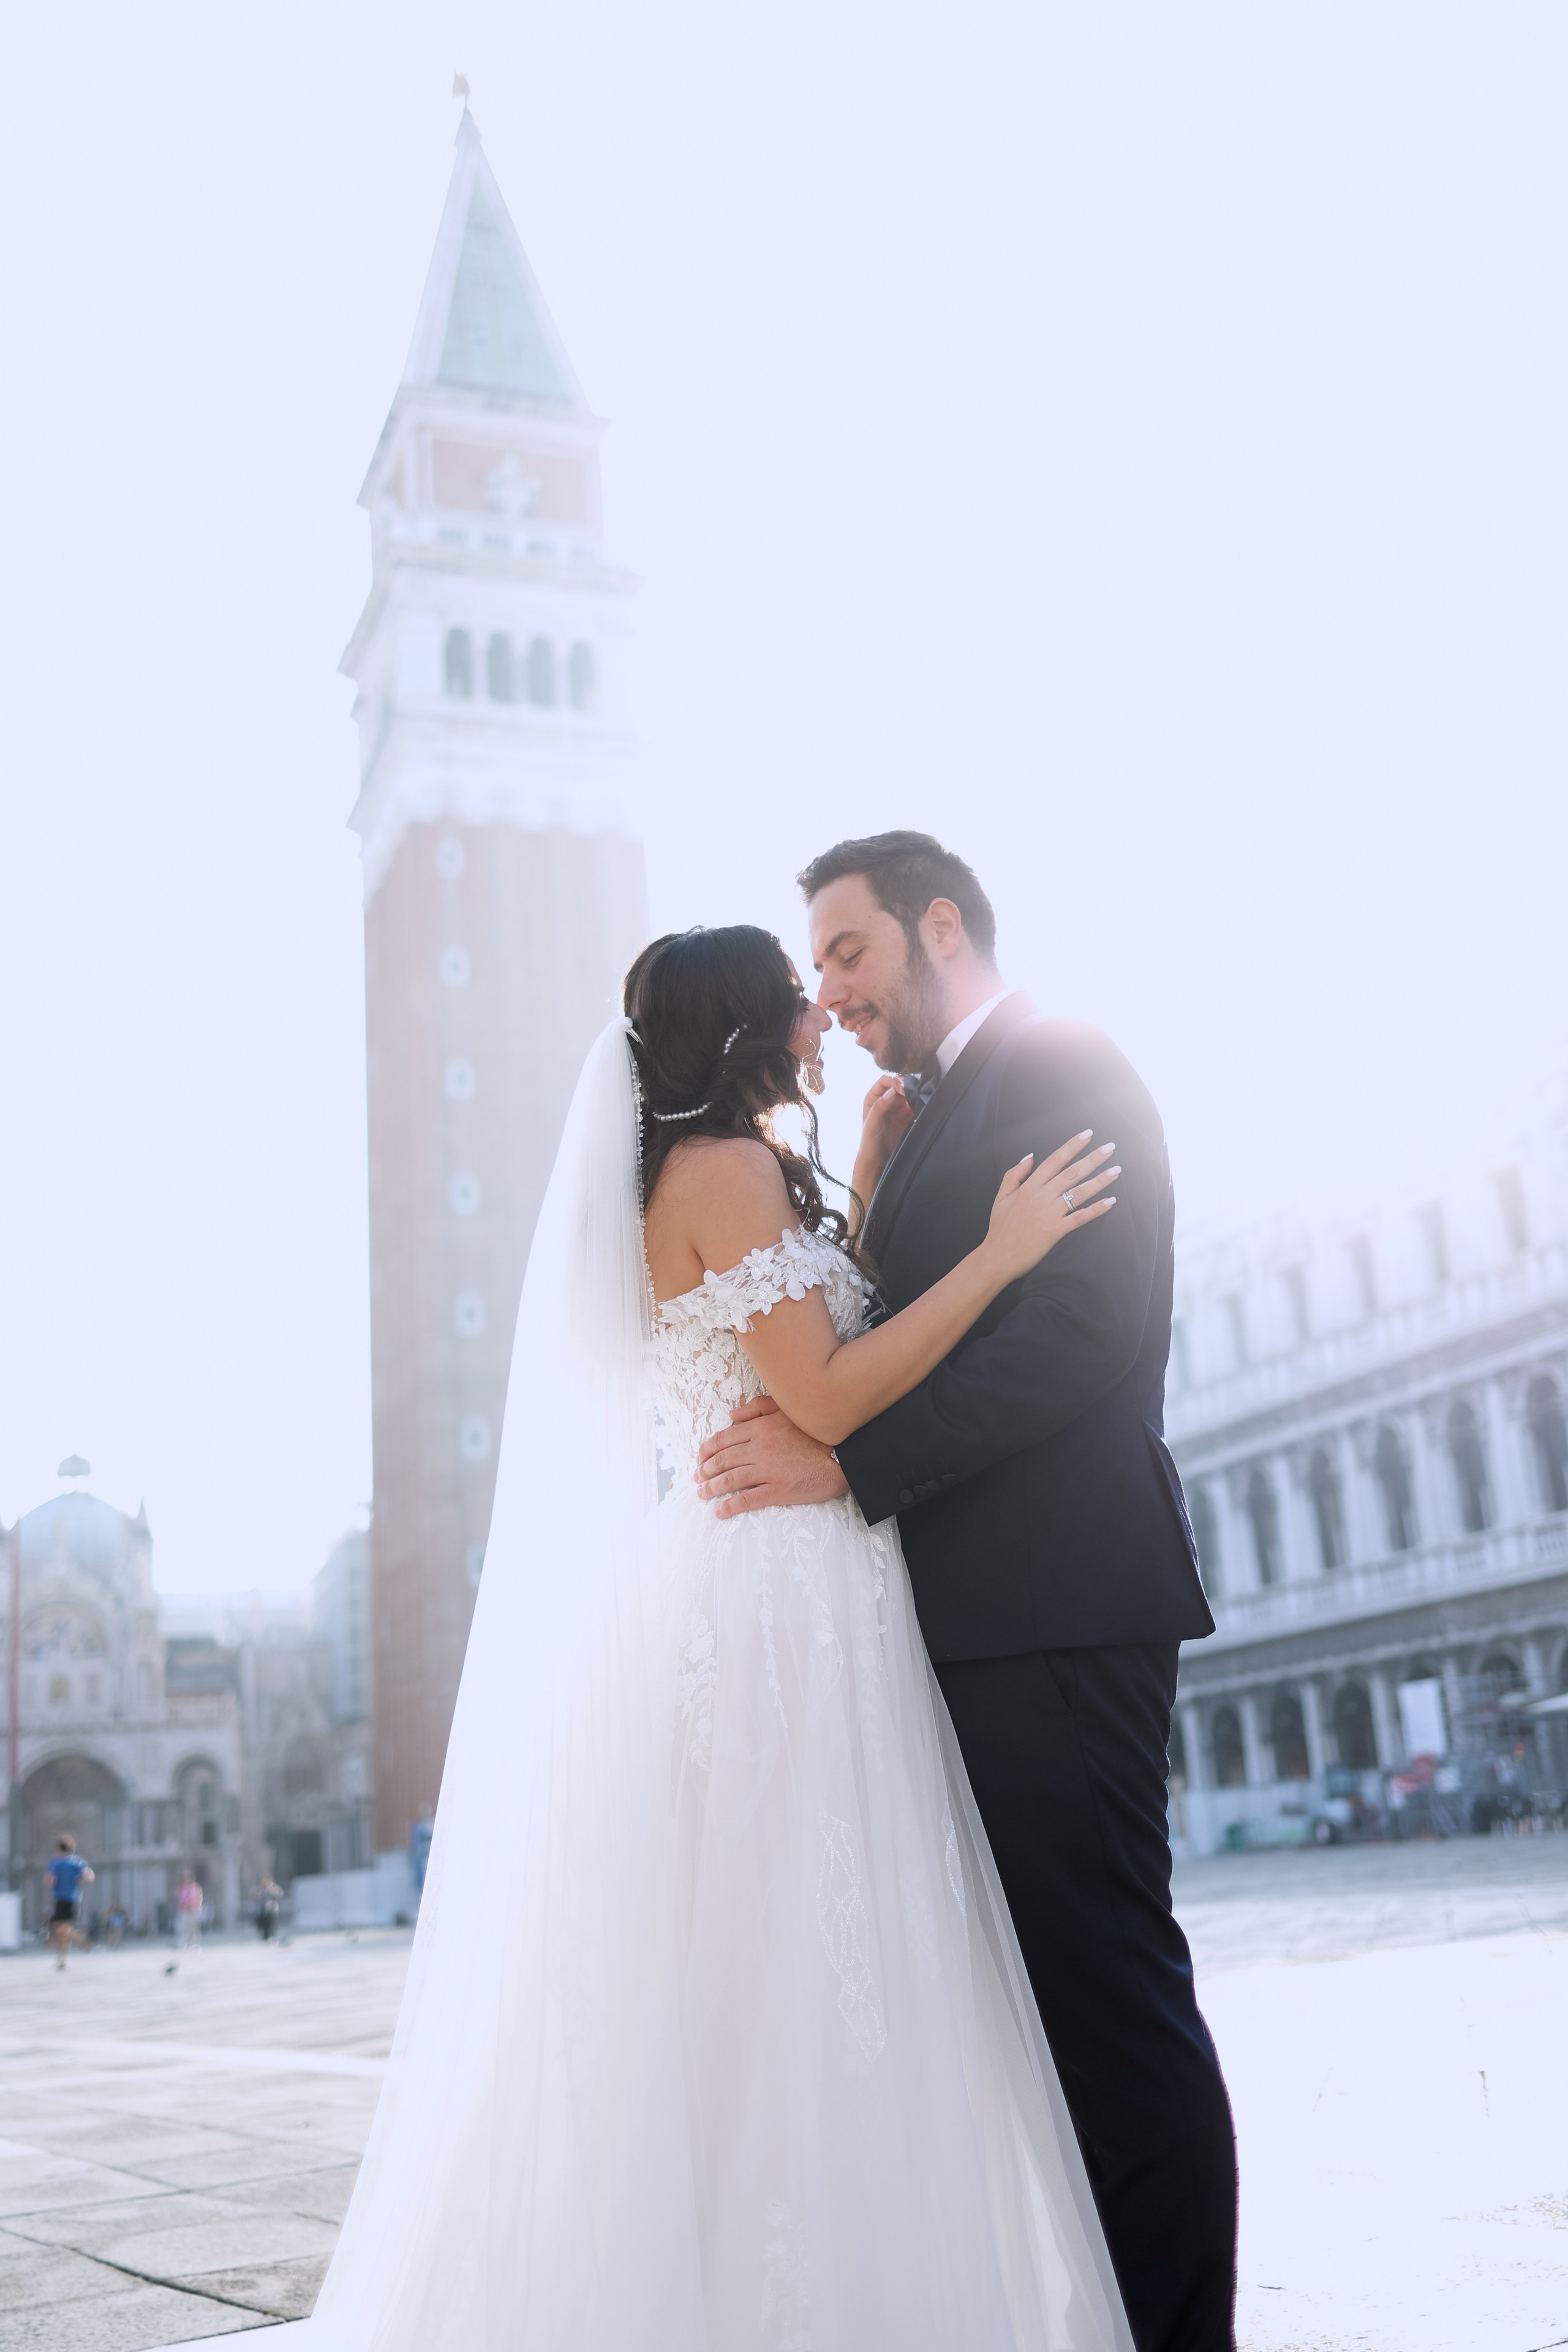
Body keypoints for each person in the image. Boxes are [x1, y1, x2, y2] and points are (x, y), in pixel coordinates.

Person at [307, 924, 1134, 2351]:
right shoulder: (728, 1167)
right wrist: (1001, 1256)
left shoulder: (687, 1174)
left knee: (771, 1952)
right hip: (786, 1591)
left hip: (759, 1575)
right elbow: (828, 1395)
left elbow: (790, 1346)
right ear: (745, 1023)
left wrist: (857, 1177)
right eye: (798, 998)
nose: (822, 1016)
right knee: (818, 1944)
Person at [696, 834, 1238, 2352]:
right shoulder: (933, 1108)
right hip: (971, 1619)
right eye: (817, 968)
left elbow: (1076, 1335)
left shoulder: (1064, 1062)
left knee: (1108, 2007)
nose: (828, 993)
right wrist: (874, 1189)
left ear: (939, 926)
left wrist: (845, 1466)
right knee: (1041, 2023)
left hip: (1052, 1606)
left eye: (848, 952)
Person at [46, 1837, 92, 1969]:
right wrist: (81, 1881)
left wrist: (53, 1883)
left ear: (59, 1849)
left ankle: (79, 1937)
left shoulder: (56, 1863)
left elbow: (50, 1880)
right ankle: (62, 1959)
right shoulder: (78, 1862)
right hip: (74, 1899)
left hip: (60, 1898)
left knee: (61, 1929)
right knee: (62, 1931)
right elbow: (89, 1876)